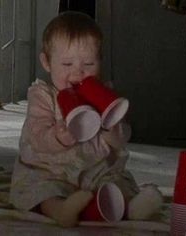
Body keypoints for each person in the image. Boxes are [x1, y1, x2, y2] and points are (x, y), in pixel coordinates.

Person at [9, 11, 163, 227]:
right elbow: (36, 133)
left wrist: (114, 130)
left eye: (88, 65)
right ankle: (61, 210)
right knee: (41, 190)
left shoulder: (104, 95)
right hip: (51, 170)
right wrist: (58, 136)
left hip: (95, 170)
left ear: (100, 62)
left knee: (118, 181)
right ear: (47, 62)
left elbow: (122, 138)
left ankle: (130, 208)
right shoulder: (42, 95)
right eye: (67, 64)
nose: (77, 73)